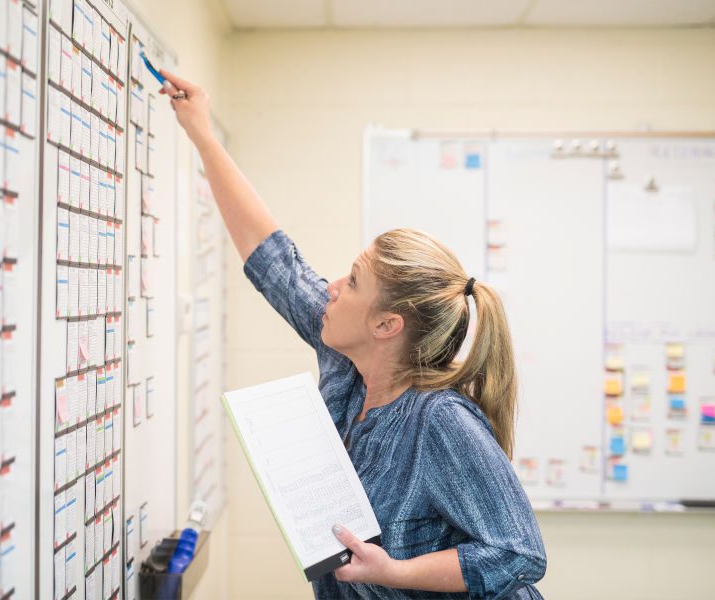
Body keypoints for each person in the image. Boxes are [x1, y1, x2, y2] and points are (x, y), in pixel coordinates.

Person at [159, 70, 547, 600]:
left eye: (353, 280)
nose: (332, 287)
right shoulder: (347, 361)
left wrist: (393, 571)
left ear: (387, 325)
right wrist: (202, 132)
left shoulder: (440, 421)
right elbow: (271, 256)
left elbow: (518, 553)